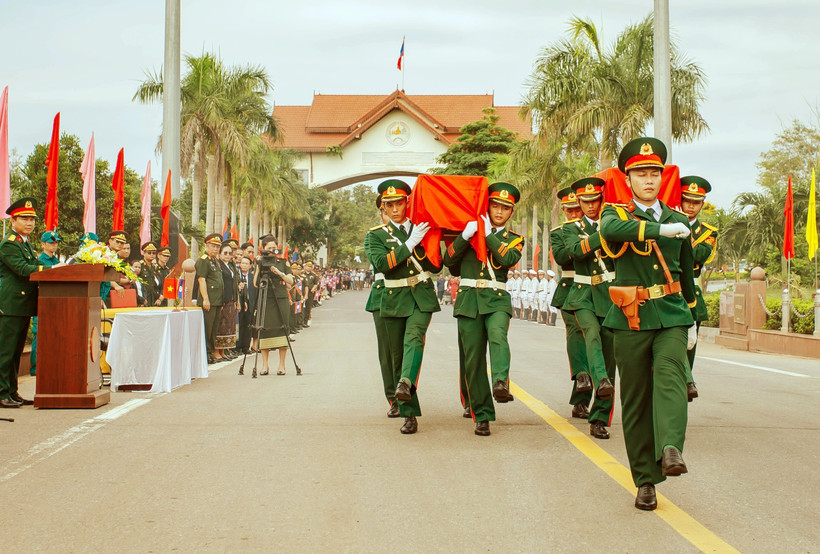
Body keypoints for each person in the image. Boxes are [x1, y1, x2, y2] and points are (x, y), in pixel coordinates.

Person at [599, 136, 698, 511]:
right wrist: (658, 231)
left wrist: (693, 318)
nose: (649, 179)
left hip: (672, 313)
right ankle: (644, 479)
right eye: (641, 173)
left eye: (655, 172)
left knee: (672, 374)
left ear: (662, 176)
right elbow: (610, 233)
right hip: (631, 318)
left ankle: (671, 447)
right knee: (637, 400)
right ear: (628, 179)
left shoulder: (677, 218)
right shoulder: (615, 213)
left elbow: (686, 272)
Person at [444, 181, 523, 436]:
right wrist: (466, 236)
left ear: (512, 212)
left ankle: (500, 381)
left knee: (498, 336)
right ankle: (482, 414)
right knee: (473, 360)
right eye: (495, 206)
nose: (499, 211)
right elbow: (449, 263)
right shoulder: (468, 233)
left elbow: (507, 259)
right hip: (468, 300)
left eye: (505, 208)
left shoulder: (514, 240)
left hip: (496, 298)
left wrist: (486, 234)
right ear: (487, 206)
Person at [367, 179, 441, 435]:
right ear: (384, 208)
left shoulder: (422, 228)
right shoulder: (375, 235)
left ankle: (406, 383)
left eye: (399, 203)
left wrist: (426, 239)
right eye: (390, 205)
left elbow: (435, 266)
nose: (395, 209)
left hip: (420, 296)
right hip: (392, 297)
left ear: (407, 203)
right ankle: (408, 412)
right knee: (395, 356)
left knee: (414, 340)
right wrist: (409, 244)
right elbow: (382, 263)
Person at [562, 177, 617, 440]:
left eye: (595, 201)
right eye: (585, 202)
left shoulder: (616, 223)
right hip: (582, 295)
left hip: (611, 297)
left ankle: (600, 418)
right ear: (579, 202)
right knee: (592, 334)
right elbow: (574, 251)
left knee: (610, 354)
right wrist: (604, 232)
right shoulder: (571, 228)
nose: (591, 206)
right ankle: (600, 380)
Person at [0, 198, 63, 407]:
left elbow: (34, 264)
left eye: (32, 219)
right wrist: (50, 270)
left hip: (22, 304)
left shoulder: (25, 243)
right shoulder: (9, 243)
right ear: (13, 221)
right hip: (10, 304)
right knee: (6, 352)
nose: (29, 223)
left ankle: (12, 391)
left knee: (16, 352)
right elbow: (22, 269)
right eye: (24, 219)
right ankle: (2, 394)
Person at [550, 187, 592, 420]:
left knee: (594, 345)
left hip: (595, 290)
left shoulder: (596, 229)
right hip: (570, 289)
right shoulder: (560, 232)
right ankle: (581, 375)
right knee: (576, 333)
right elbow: (563, 257)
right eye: (570, 210)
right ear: (564, 210)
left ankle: (581, 401)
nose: (575, 214)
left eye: (579, 209)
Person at [680, 176, 717, 401]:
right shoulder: (667, 222)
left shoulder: (708, 232)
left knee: (689, 346)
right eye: (687, 200)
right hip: (670, 290)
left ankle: (686, 378)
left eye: (696, 201)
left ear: (702, 204)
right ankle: (686, 381)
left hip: (692, 292)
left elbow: (699, 255)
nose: (691, 206)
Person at [364, 194, 399, 417]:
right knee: (387, 353)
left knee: (405, 351)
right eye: (387, 210)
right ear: (381, 213)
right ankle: (393, 397)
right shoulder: (375, 236)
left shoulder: (410, 233)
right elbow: (382, 264)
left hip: (408, 295)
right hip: (383, 295)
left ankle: (406, 391)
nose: (392, 214)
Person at [255, 236, 294, 376]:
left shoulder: (283, 262)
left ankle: (282, 365)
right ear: (263, 249)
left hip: (281, 298)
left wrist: (279, 273)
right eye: (268, 248)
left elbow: (291, 281)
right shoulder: (260, 262)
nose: (271, 250)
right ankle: (264, 365)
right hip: (266, 298)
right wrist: (258, 265)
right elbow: (255, 283)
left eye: (274, 248)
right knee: (264, 330)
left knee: (283, 329)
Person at [29, 230, 62, 376]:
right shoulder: (40, 261)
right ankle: (35, 368)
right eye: (51, 242)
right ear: (43, 244)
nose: (54, 245)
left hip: (56, 302)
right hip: (42, 302)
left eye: (56, 242)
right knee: (39, 335)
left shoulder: (56, 261)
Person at [196, 234, 225, 364]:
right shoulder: (203, 260)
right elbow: (202, 280)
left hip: (217, 300)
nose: (215, 249)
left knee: (214, 328)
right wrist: (205, 299)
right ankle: (205, 353)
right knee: (207, 328)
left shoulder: (215, 261)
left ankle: (211, 351)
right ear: (206, 246)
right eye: (213, 246)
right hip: (209, 300)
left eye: (218, 246)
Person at [216, 241, 239, 360]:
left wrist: (236, 300)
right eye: (225, 253)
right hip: (222, 300)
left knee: (228, 327)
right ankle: (217, 352)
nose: (228, 255)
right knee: (220, 326)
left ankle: (224, 351)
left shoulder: (231, 266)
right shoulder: (218, 265)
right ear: (219, 254)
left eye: (230, 253)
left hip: (231, 300)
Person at [237, 256, 256, 355]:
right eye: (242, 263)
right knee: (239, 325)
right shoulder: (236, 275)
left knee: (248, 326)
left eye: (246, 263)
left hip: (250, 304)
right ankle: (238, 347)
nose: (243, 265)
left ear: (250, 266)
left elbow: (255, 292)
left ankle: (246, 347)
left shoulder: (253, 277)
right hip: (239, 303)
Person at [139, 241, 159, 307]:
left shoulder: (154, 267)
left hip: (152, 297)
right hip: (143, 296)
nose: (151, 255)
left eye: (153, 253)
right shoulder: (140, 266)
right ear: (144, 253)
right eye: (149, 253)